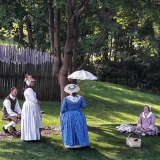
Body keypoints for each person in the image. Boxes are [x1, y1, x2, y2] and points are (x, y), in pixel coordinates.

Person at [60, 84, 90, 148]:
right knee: (79, 128)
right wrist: (84, 102)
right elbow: (84, 106)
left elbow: (62, 109)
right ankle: (80, 143)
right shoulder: (80, 98)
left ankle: (70, 144)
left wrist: (62, 114)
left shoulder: (66, 99)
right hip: (79, 115)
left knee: (70, 129)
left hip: (69, 116)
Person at [21, 74, 42, 141]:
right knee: (31, 120)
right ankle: (31, 137)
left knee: (30, 120)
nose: (33, 83)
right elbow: (33, 99)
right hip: (30, 106)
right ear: (29, 82)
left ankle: (31, 136)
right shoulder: (29, 90)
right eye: (32, 82)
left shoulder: (28, 89)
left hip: (29, 106)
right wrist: (37, 101)